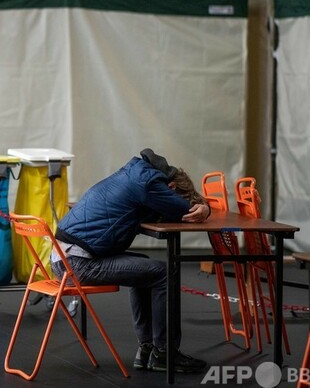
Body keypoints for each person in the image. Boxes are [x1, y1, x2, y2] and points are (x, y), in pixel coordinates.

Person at [52, 148, 211, 374]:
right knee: (164, 272)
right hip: (77, 265)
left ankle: (147, 349)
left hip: (63, 258)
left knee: (144, 268)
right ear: (172, 188)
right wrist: (205, 208)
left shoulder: (133, 173)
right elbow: (185, 211)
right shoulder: (149, 184)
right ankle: (165, 354)